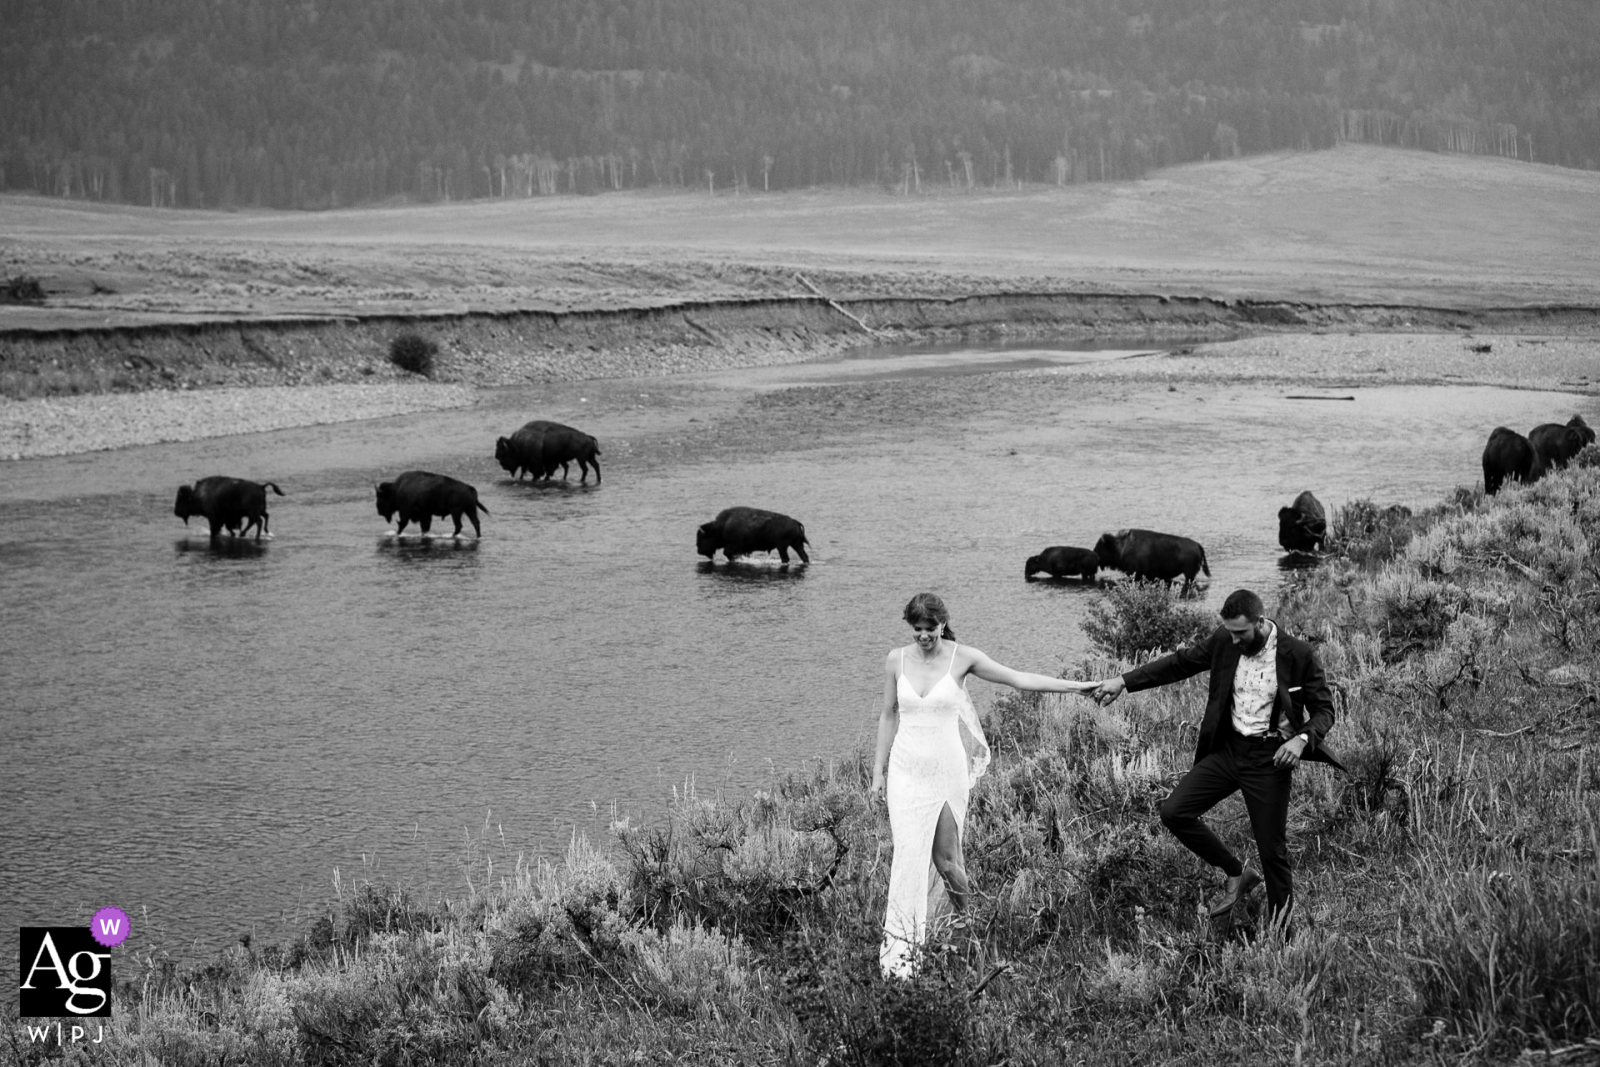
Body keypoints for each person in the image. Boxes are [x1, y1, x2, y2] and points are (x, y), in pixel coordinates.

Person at [872, 592, 1097, 978]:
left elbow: (1018, 679)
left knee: (946, 860)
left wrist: (1077, 687)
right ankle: (902, 955)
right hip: (905, 772)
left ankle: (976, 933)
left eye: (930, 629)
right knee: (907, 857)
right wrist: (878, 772)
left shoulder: (964, 658)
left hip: (945, 773)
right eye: (917, 630)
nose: (924, 636)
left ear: (943, 624)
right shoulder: (897, 659)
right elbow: (888, 715)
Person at [1091, 588, 1343, 933]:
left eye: (1241, 633)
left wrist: (1301, 739)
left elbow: (1324, 711)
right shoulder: (1225, 640)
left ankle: (1282, 937)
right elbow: (1180, 663)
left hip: (1269, 761)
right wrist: (1123, 681)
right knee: (1174, 811)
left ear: (1259, 622)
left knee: (1273, 853)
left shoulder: (1298, 654)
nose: (1235, 640)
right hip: (1227, 751)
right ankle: (1237, 873)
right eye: (1230, 632)